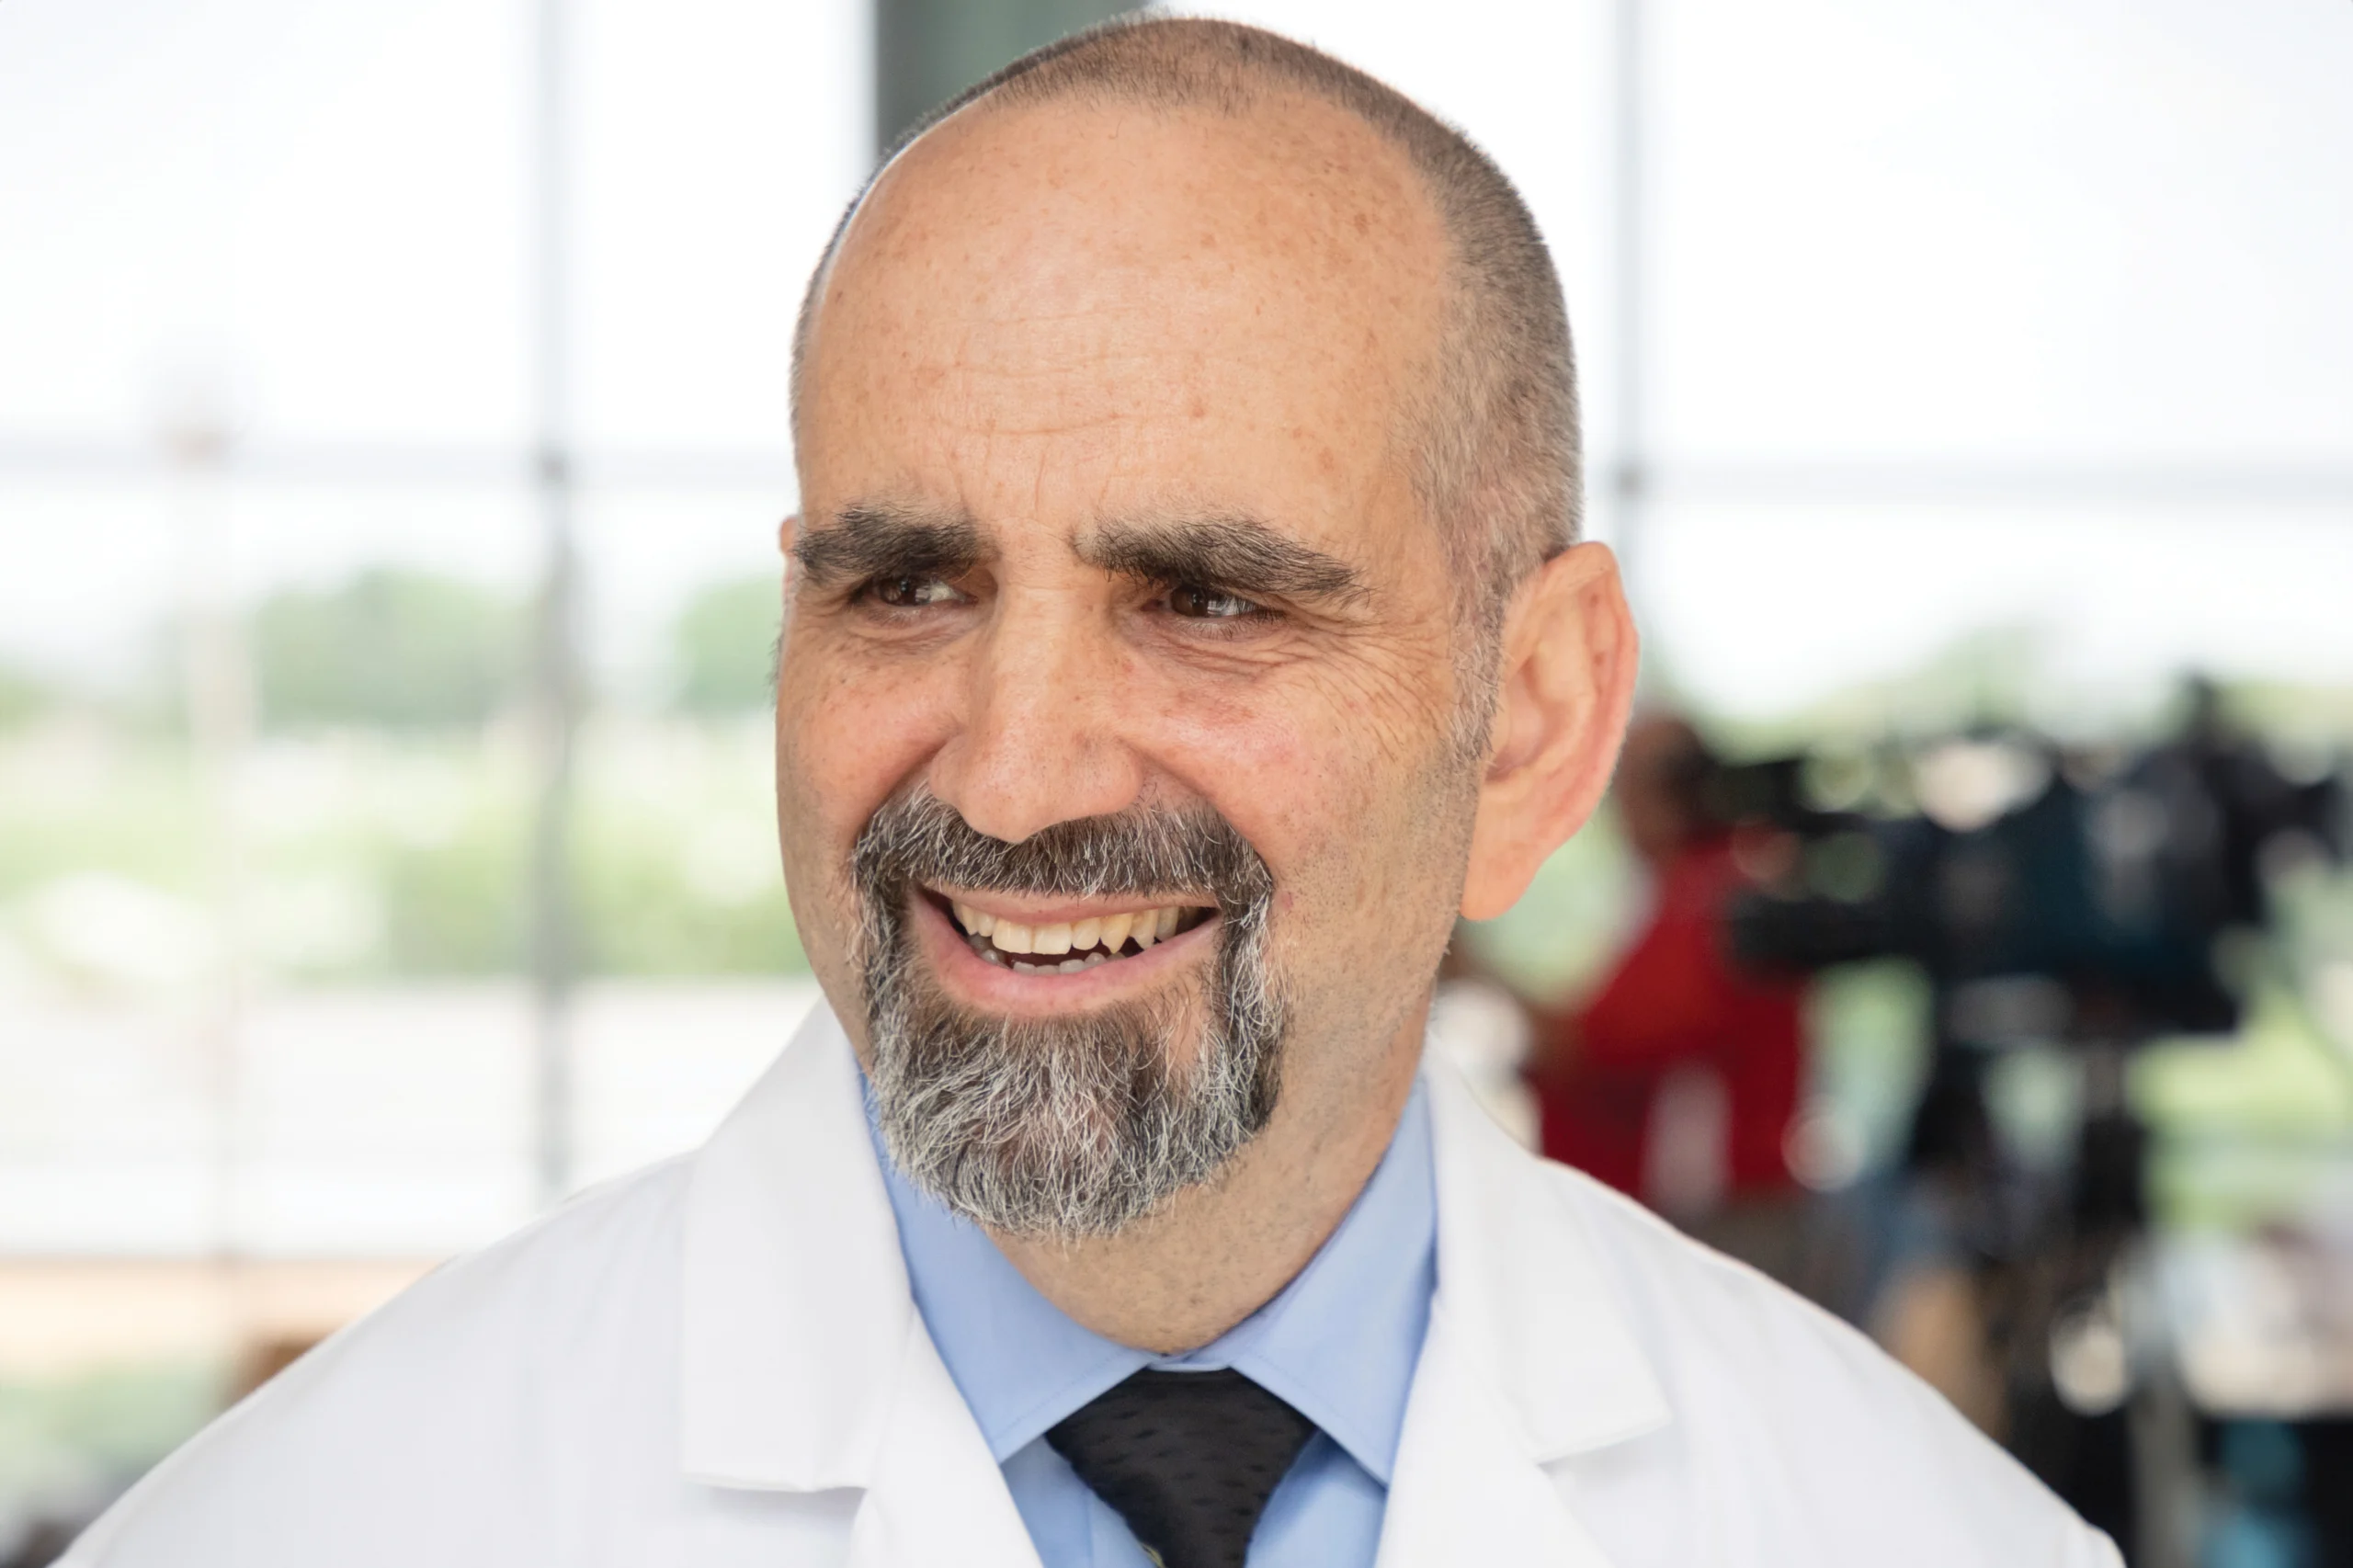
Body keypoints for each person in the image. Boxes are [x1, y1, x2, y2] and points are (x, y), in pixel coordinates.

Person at [63, 18, 2118, 1568]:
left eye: (1207, 599)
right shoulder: (312, 1524)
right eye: (906, 584)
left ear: (1528, 721)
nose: (1018, 775)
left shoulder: (1911, 1531)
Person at [1527, 715, 1813, 1283]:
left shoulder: (1710, 901)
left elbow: (1596, 1046)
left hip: (1722, 1220)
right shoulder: (1703, 890)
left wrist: (1470, 968)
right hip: (1711, 1212)